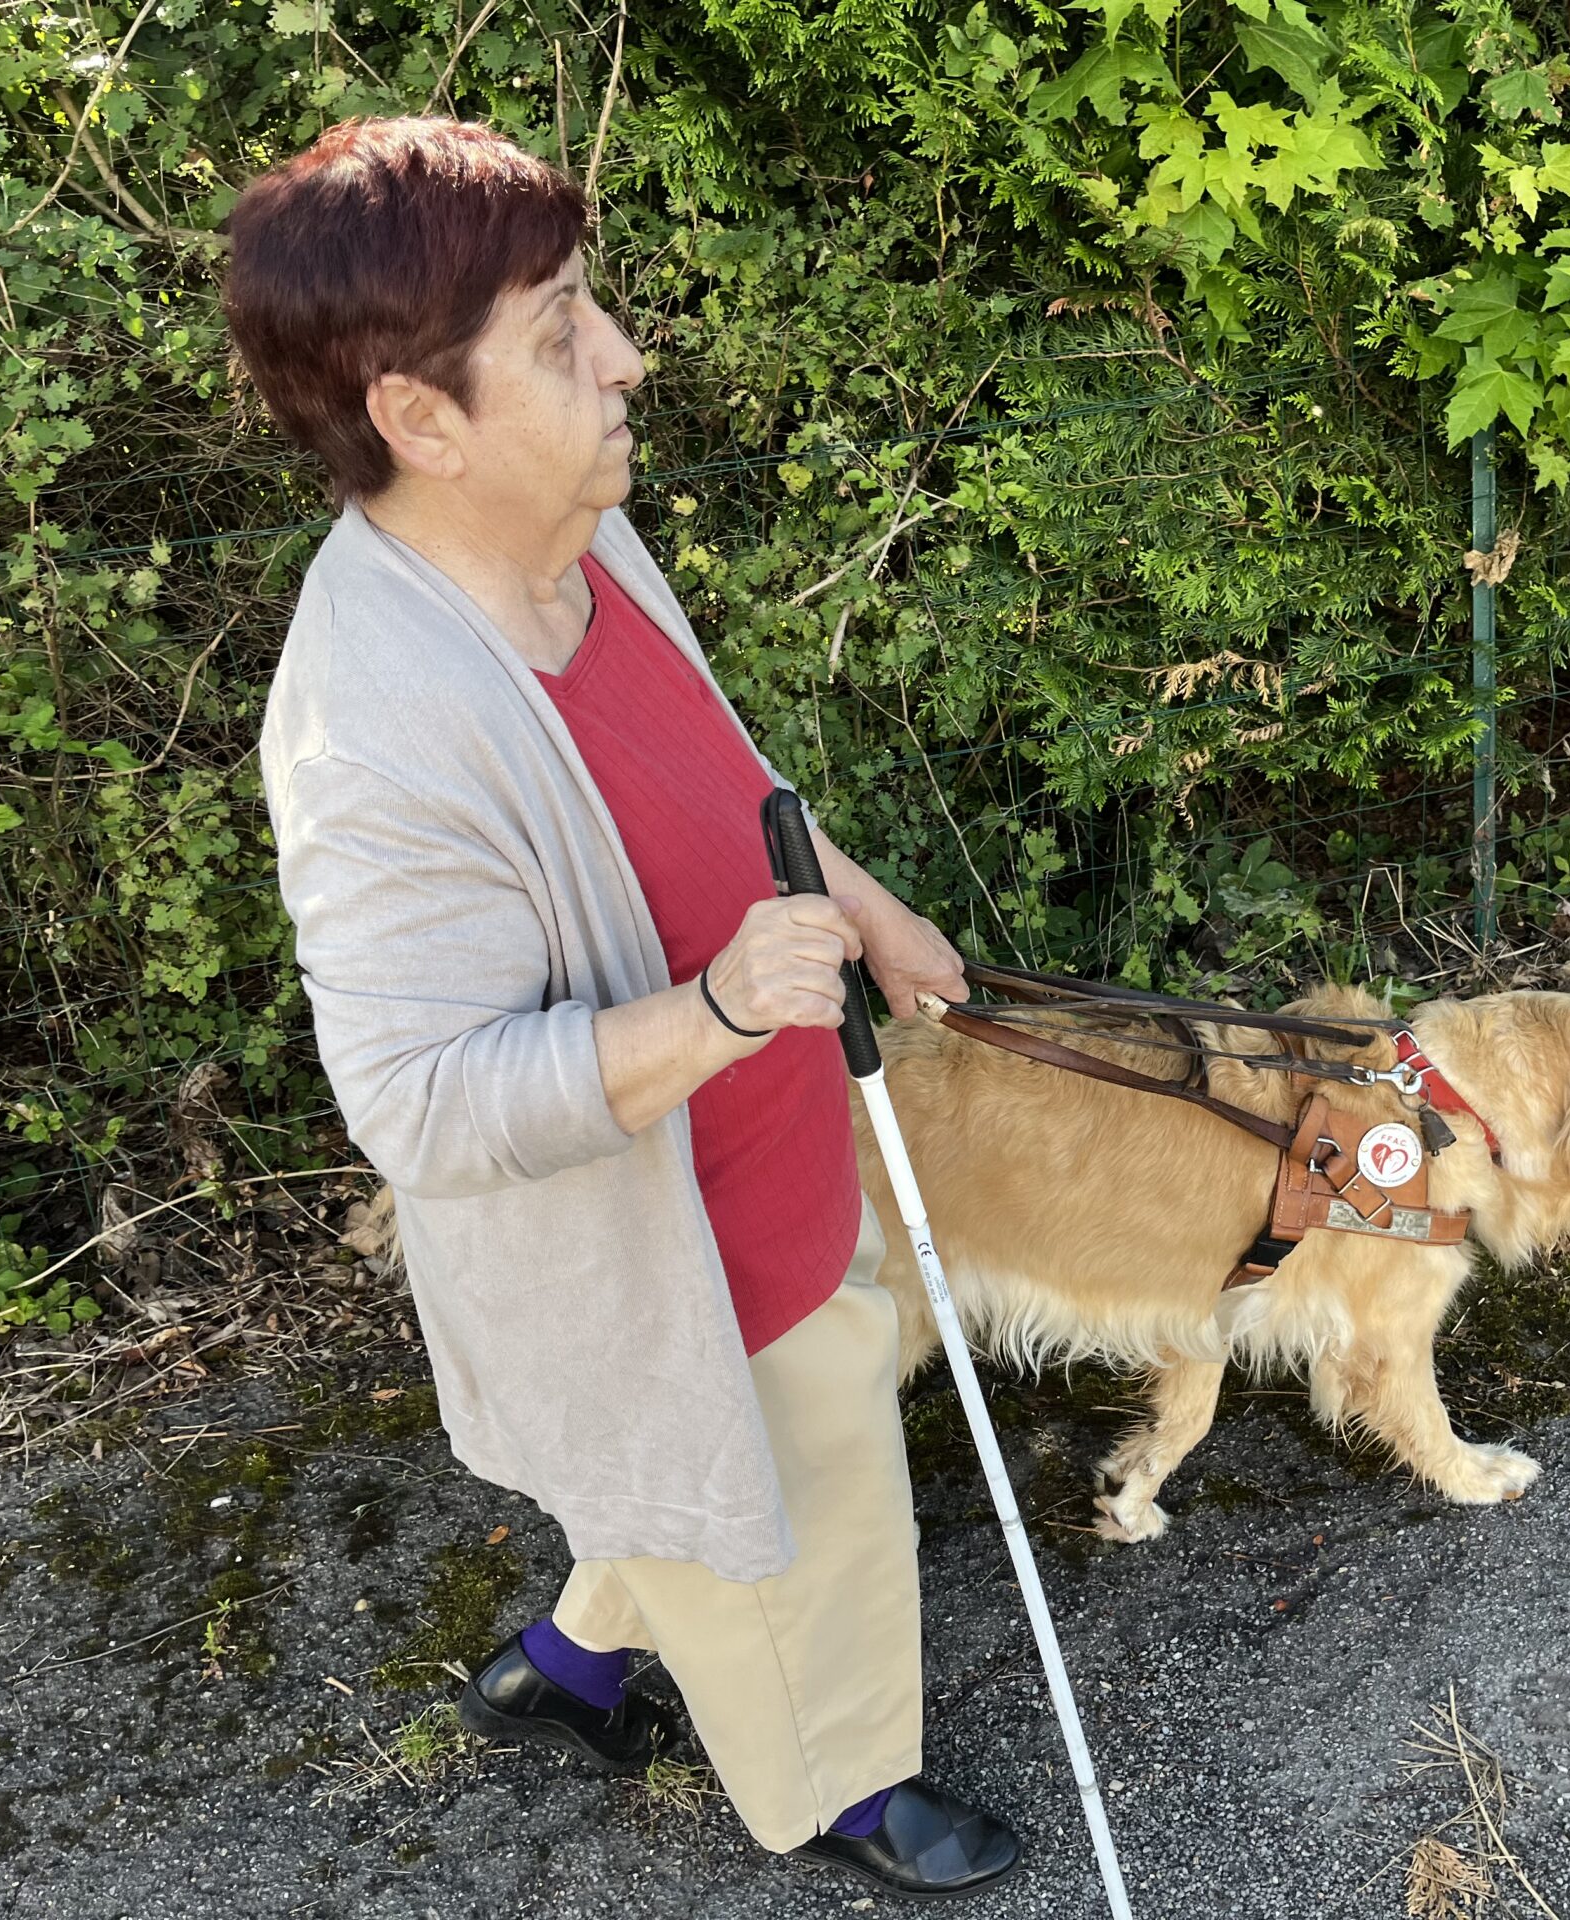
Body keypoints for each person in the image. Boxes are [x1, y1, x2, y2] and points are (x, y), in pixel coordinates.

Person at [224, 116, 1020, 1899]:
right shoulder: (375, 730)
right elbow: (421, 1102)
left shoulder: (582, 529)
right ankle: (843, 1790)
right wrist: (729, 1012)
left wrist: (860, 906)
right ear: (422, 422)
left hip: (775, 1152)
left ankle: (575, 1668)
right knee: (805, 1505)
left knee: (713, 1477)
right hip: (671, 1258)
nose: (626, 358)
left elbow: (720, 771)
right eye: (564, 328)